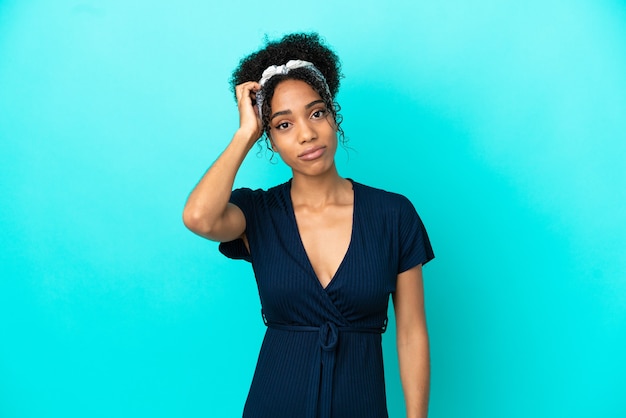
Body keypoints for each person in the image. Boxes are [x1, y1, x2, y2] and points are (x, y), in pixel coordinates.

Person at [183, 32, 434, 418]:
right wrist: (244, 134)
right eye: (283, 125)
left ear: (333, 116)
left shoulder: (392, 214)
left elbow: (412, 333)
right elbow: (198, 217)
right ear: (270, 138)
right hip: (274, 402)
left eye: (316, 113)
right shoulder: (258, 213)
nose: (306, 134)